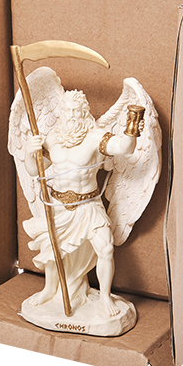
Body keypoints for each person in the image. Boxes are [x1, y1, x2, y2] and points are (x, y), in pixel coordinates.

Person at [23, 89, 141, 317]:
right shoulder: (53, 138)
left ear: (84, 112)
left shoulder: (96, 137)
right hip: (58, 206)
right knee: (53, 250)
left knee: (106, 249)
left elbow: (124, 148)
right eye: (67, 110)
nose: (71, 115)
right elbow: (35, 170)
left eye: (76, 111)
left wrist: (133, 123)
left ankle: (105, 297)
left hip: (88, 205)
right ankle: (49, 290)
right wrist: (29, 152)